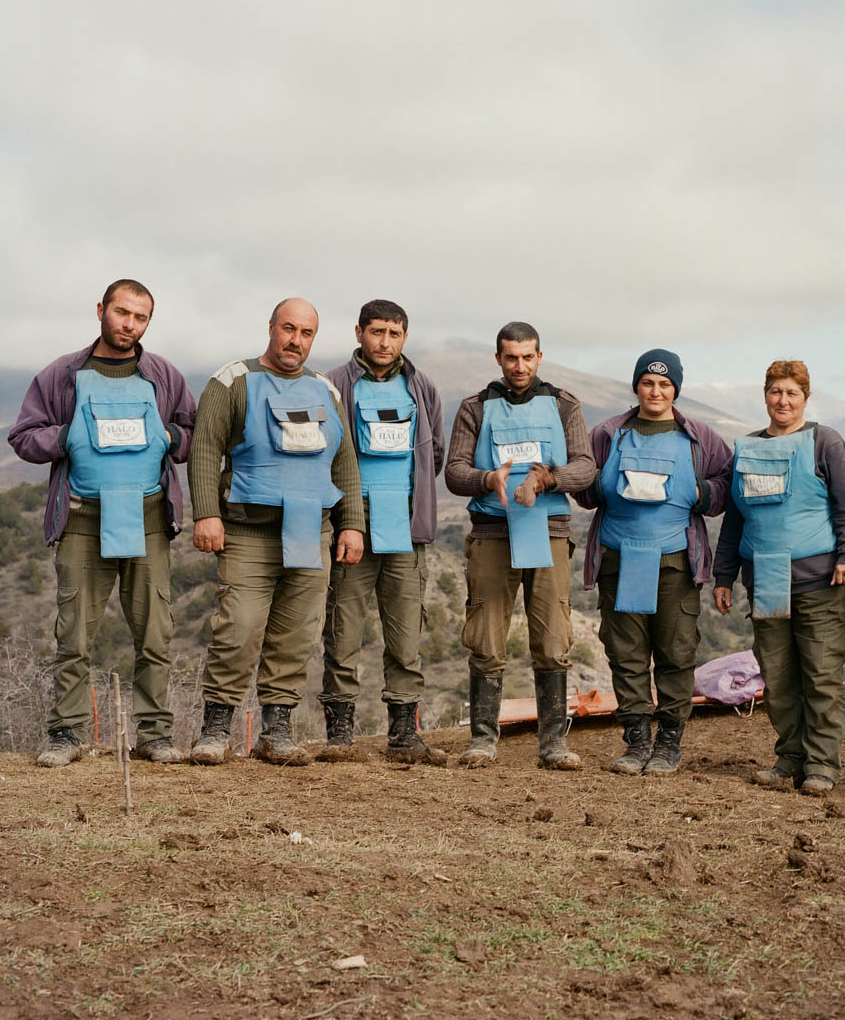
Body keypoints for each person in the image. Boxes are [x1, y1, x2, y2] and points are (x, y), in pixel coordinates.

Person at [8, 280, 196, 767]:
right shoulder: (63, 374)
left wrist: (169, 434)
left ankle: (154, 734)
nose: (129, 324)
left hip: (149, 517)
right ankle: (67, 734)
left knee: (155, 631)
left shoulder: (163, 375)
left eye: (140, 317)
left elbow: (192, 432)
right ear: (101, 310)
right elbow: (23, 436)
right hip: (82, 519)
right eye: (121, 313)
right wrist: (69, 435)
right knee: (73, 635)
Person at [187, 298, 364, 764]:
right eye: (288, 329)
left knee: (298, 634)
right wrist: (206, 513)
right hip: (248, 531)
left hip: (312, 529)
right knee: (238, 629)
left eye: (306, 333)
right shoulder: (232, 381)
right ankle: (215, 730)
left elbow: (344, 461)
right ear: (271, 327)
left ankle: (276, 732)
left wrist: (352, 525)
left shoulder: (326, 391)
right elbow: (205, 449)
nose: (296, 341)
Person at [444, 322, 596, 769]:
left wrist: (547, 476)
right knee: (486, 639)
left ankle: (553, 744)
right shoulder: (475, 407)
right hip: (492, 531)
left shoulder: (565, 404)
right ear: (498, 359)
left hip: (548, 531)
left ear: (540, 357)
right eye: (511, 357)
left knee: (552, 640)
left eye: (528, 357)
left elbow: (586, 466)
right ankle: (483, 741)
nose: (520, 366)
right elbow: (454, 470)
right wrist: (488, 479)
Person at [574, 350, 732, 775]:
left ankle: (668, 742)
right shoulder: (607, 434)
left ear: (676, 389)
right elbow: (584, 489)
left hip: (675, 562)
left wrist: (702, 493)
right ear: (636, 387)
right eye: (648, 383)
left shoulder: (700, 437)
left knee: (676, 653)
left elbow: (727, 485)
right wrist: (592, 487)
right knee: (626, 653)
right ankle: (636, 740)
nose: (656, 391)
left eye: (665, 384)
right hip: (618, 558)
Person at [712, 359, 845, 796]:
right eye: (775, 392)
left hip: (822, 580)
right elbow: (736, 519)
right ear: (765, 395)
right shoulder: (746, 448)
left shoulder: (826, 443)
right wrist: (724, 574)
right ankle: (789, 758)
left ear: (805, 398)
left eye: (792, 393)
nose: (783, 400)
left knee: (820, 674)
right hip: (766, 579)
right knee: (777, 675)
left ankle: (821, 764)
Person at [322, 299, 446, 763]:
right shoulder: (334, 384)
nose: (384, 342)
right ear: (359, 332)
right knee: (343, 629)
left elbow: (431, 453)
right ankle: (339, 736)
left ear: (404, 338)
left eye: (394, 334)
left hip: (405, 525)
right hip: (351, 523)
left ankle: (403, 734)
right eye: (376, 332)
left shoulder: (422, 387)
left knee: (405, 633)